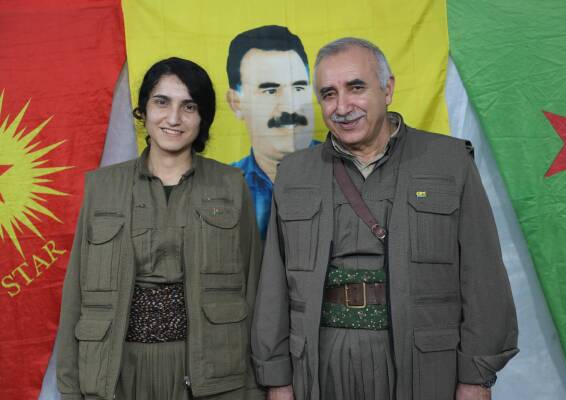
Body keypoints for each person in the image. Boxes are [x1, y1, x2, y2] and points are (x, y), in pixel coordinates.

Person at [251, 38, 518, 400]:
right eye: (328, 94)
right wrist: (277, 378)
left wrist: (476, 377)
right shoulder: (295, 173)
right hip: (319, 362)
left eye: (356, 87)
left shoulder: (449, 162)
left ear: (387, 89)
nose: (342, 107)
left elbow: (482, 275)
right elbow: (273, 283)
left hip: (423, 363)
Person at [55, 57, 264, 400]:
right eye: (162, 102)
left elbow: (253, 289)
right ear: (143, 111)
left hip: (210, 371)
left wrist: (255, 388)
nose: (174, 118)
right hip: (118, 370)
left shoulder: (230, 185)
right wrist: (70, 387)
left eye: (189, 106)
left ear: (203, 117)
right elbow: (76, 292)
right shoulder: (102, 187)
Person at [226, 25, 317, 239]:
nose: (290, 106)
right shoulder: (222, 188)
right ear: (236, 103)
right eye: (270, 90)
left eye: (299, 88)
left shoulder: (344, 174)